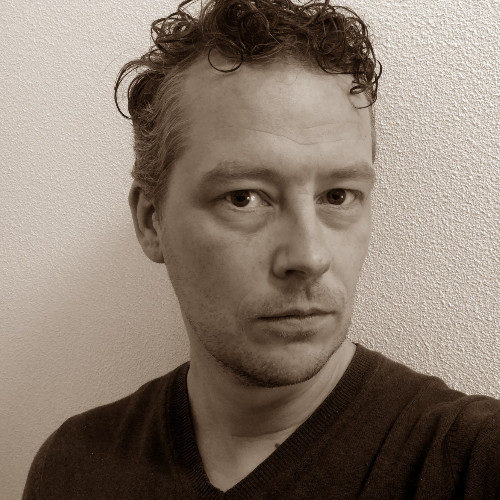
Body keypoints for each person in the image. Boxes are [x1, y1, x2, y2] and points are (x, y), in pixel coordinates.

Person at [23, 0, 498, 498]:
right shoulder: (72, 469)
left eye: (338, 196)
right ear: (151, 222)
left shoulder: (472, 461)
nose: (309, 257)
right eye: (243, 198)